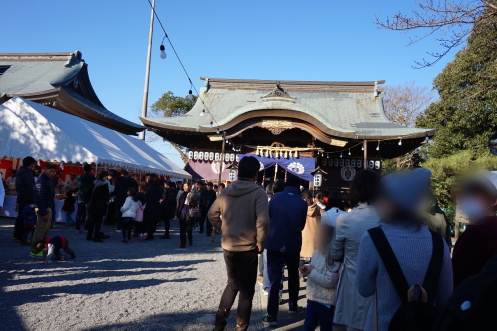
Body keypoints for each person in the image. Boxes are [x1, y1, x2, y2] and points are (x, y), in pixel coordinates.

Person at [355, 168, 453, 331]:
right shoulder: (438, 242)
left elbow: (364, 289)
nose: (377, 202)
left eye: (381, 197)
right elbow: (445, 298)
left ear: (396, 202)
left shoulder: (372, 239)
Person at [208, 155, 270, 331]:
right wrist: (260, 241)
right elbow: (263, 221)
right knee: (246, 293)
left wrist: (223, 230)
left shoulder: (226, 191)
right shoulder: (259, 193)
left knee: (232, 284)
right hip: (248, 248)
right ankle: (240, 327)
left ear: (238, 172)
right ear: (256, 175)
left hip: (228, 247)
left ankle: (219, 324)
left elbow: (211, 215)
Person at [331, 169, 381, 331]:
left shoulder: (345, 219)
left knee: (352, 325)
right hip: (379, 287)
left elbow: (335, 253)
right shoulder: (385, 219)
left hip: (351, 283)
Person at [263, 174, 308, 326]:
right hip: (293, 244)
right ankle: (293, 306)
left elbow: (270, 217)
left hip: (275, 243)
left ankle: (272, 315)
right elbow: (301, 226)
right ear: (298, 187)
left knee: (275, 279)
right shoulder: (302, 204)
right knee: (293, 274)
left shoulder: (275, 198)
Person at [452, 170, 497, 288]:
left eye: (474, 193)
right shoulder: (489, 228)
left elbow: (456, 279)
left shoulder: (478, 233)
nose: (465, 197)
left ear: (493, 200)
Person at [301, 224, 341, 331]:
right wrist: (306, 270)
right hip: (312, 299)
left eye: (319, 235)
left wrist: (311, 272)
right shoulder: (316, 252)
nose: (315, 237)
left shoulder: (332, 256)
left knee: (326, 328)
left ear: (328, 237)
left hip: (326, 303)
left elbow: (330, 281)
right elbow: (314, 269)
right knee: (308, 327)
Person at [30, 162, 57, 257]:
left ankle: (39, 249)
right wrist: (43, 212)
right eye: (51, 171)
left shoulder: (47, 180)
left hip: (47, 207)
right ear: (45, 170)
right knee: (40, 231)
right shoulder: (42, 181)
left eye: (54, 171)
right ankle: (35, 251)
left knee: (43, 231)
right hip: (44, 208)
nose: (53, 173)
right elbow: (39, 197)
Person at [13, 156, 36, 241]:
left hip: (21, 196)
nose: (34, 165)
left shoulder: (19, 172)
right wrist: (34, 198)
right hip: (26, 197)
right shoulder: (28, 173)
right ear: (30, 164)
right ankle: (22, 237)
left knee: (20, 216)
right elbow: (30, 188)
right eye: (33, 164)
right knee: (25, 217)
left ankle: (16, 235)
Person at [300, 190, 322, 270]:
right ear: (312, 198)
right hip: (314, 237)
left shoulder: (300, 207)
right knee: (313, 258)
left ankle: (301, 273)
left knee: (301, 256)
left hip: (302, 235)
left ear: (303, 198)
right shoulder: (317, 208)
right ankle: (311, 272)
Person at [87, 171, 109, 243]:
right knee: (98, 221)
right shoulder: (105, 185)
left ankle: (89, 235)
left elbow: (88, 192)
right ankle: (96, 237)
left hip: (93, 203)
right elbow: (106, 196)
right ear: (104, 176)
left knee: (92, 221)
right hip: (101, 205)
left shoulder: (94, 182)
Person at [176, 182, 197, 248]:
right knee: (182, 229)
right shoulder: (181, 194)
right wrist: (176, 213)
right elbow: (178, 204)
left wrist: (191, 201)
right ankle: (183, 243)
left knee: (188, 228)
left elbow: (196, 204)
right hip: (182, 213)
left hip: (189, 213)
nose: (185, 187)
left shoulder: (192, 195)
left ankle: (190, 239)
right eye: (184, 186)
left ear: (189, 187)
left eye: (186, 186)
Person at [76, 164, 95, 232]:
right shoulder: (93, 178)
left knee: (79, 213)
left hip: (81, 196)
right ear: (90, 170)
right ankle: (86, 228)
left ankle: (77, 227)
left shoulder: (79, 177)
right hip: (89, 197)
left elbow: (78, 185)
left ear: (83, 169)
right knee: (88, 213)